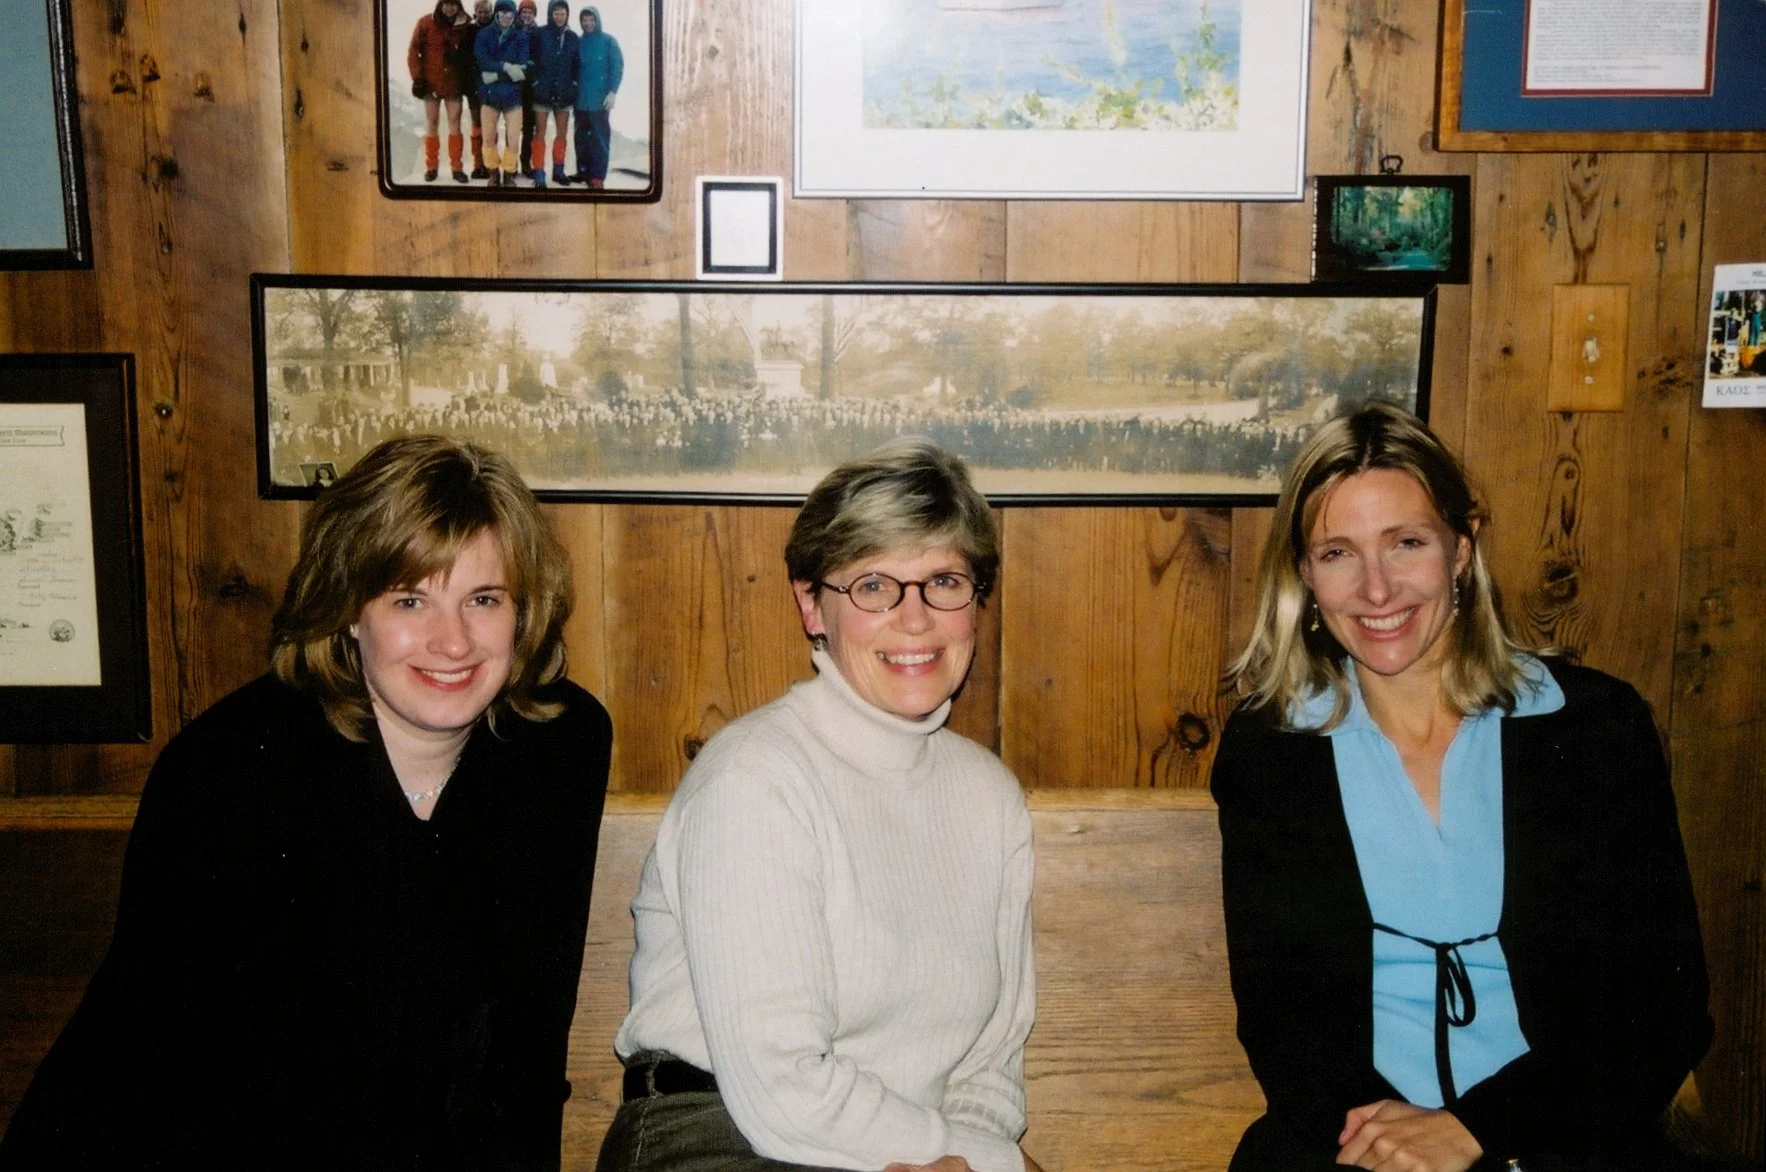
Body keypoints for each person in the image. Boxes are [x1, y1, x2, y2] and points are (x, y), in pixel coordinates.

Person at [0, 435, 613, 1168]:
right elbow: (189, 1072)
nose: (453, 642)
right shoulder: (232, 768)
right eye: (410, 599)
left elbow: (525, 1050)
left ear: (524, 611)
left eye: (484, 599)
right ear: (349, 611)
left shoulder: (558, 748)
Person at [1212, 402, 1711, 1172]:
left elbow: (1661, 1008)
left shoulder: (1593, 729)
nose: (1377, 591)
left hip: (1567, 1134)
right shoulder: (1273, 750)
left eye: (1406, 543)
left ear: (1461, 548)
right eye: (1338, 553)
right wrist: (1390, 1145)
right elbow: (1284, 1025)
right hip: (1352, 1144)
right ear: (1304, 576)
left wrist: (1478, 1130)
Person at [597, 439, 1043, 1172]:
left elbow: (990, 1061)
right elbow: (780, 1087)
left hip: (897, 1151)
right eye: (873, 586)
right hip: (714, 1137)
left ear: (977, 600)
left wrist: (972, 1159)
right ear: (812, 605)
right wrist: (981, 1162)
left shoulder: (989, 798)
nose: (916, 618)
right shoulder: (756, 777)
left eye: (944, 581)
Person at [406, 0, 474, 183]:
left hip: (454, 83)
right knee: (432, 123)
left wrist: (462, 66)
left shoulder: (466, 26)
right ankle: (431, 167)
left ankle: (457, 168)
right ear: (440, 5)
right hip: (431, 83)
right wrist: (417, 78)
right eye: (446, 3)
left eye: (453, 4)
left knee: (455, 124)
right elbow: (413, 51)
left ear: (458, 6)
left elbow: (471, 53)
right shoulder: (425, 23)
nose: (449, 8)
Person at [475, 0, 532, 187]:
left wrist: (494, 73)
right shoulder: (484, 34)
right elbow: (482, 60)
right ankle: (493, 172)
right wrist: (506, 66)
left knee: (513, 137)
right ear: (496, 15)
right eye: (502, 13)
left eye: (509, 14)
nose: (506, 17)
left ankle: (509, 173)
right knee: (489, 136)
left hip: (512, 96)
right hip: (489, 95)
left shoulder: (521, 37)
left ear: (514, 15)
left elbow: (522, 67)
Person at [528, 0, 578, 187]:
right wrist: (535, 83)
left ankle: (558, 170)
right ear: (550, 14)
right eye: (556, 13)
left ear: (567, 15)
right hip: (543, 91)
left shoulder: (572, 37)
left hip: (564, 92)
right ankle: (539, 172)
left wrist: (573, 84)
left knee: (562, 132)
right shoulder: (540, 33)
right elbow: (530, 60)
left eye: (562, 13)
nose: (559, 16)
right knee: (540, 132)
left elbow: (576, 64)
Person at [572, 5, 622, 189]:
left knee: (599, 139)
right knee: (581, 138)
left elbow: (617, 67)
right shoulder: (578, 42)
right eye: (584, 20)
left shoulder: (609, 41)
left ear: (597, 20)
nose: (587, 23)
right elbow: (573, 67)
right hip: (581, 100)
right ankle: (583, 172)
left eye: (591, 19)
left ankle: (597, 178)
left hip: (600, 100)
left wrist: (612, 92)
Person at [463, 0, 494, 177]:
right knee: (476, 125)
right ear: (475, 12)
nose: (483, 15)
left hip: (492, 84)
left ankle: (490, 164)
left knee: (490, 126)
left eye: (486, 12)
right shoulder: (470, 31)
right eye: (480, 12)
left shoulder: (496, 30)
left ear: (491, 12)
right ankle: (477, 164)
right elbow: (465, 59)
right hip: (474, 84)